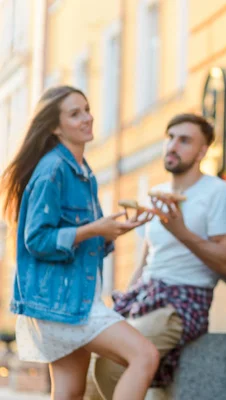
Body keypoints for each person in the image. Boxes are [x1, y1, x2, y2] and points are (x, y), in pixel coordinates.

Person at [0, 85, 159, 400]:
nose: (88, 118)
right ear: (56, 127)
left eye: (86, 109)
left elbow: (86, 238)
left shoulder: (83, 172)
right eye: (75, 114)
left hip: (70, 300)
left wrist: (112, 230)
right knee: (144, 356)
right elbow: (36, 239)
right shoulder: (53, 170)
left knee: (69, 392)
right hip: (65, 304)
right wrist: (93, 229)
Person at [93, 113, 226, 399]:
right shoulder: (158, 193)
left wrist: (181, 231)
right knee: (90, 366)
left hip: (184, 301)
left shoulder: (218, 192)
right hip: (145, 295)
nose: (173, 146)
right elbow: (147, 258)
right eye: (170, 137)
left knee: (110, 366)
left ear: (202, 152)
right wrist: (129, 294)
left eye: (184, 140)